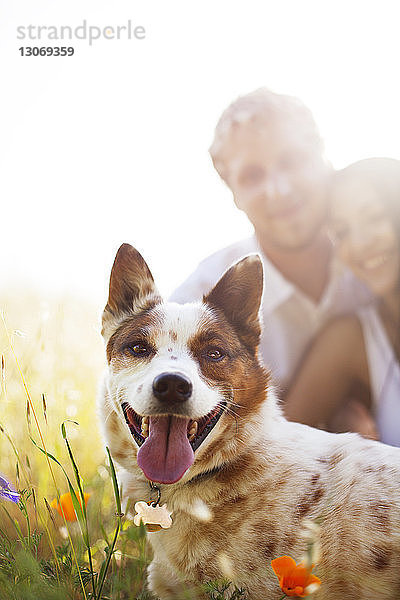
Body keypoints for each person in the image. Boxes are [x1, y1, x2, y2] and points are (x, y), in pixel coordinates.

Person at [171, 88, 370, 396]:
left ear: (324, 157)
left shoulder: (381, 262)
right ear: (233, 193)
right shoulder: (197, 304)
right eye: (252, 176)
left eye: (291, 161)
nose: (279, 190)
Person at [285, 158, 400, 447]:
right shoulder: (351, 339)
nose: (359, 244)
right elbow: (272, 453)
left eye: (374, 217)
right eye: (342, 232)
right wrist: (343, 451)